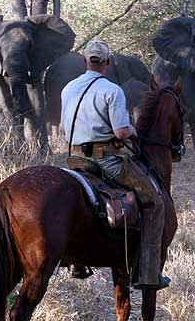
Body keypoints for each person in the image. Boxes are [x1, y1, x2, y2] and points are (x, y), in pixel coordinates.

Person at [60, 39, 170, 291]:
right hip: (107, 161)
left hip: (75, 160)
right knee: (154, 202)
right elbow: (121, 133)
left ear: (85, 62)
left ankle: (75, 260)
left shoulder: (68, 89)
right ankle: (149, 272)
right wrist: (132, 130)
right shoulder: (112, 90)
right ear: (107, 63)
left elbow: (65, 131)